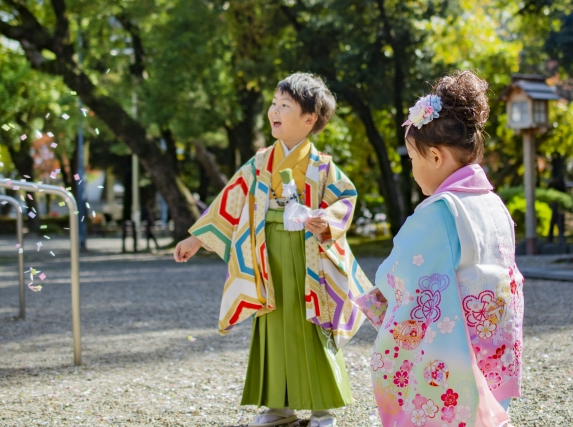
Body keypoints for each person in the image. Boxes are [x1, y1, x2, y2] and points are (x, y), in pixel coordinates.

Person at [174, 73, 372, 427]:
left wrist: (326, 220)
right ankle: (279, 407)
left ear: (309, 119)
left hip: (310, 256)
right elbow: (229, 202)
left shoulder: (322, 167)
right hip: (266, 257)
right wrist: (195, 240)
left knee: (312, 325)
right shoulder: (260, 162)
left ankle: (323, 409)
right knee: (272, 325)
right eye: (273, 103)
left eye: (285, 105)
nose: (274, 111)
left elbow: (346, 199)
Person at [356, 71, 523, 427]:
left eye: (414, 160)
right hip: (488, 341)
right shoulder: (495, 205)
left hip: (455, 352)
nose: (413, 171)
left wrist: (376, 295)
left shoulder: (441, 211)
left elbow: (402, 278)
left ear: (434, 155)